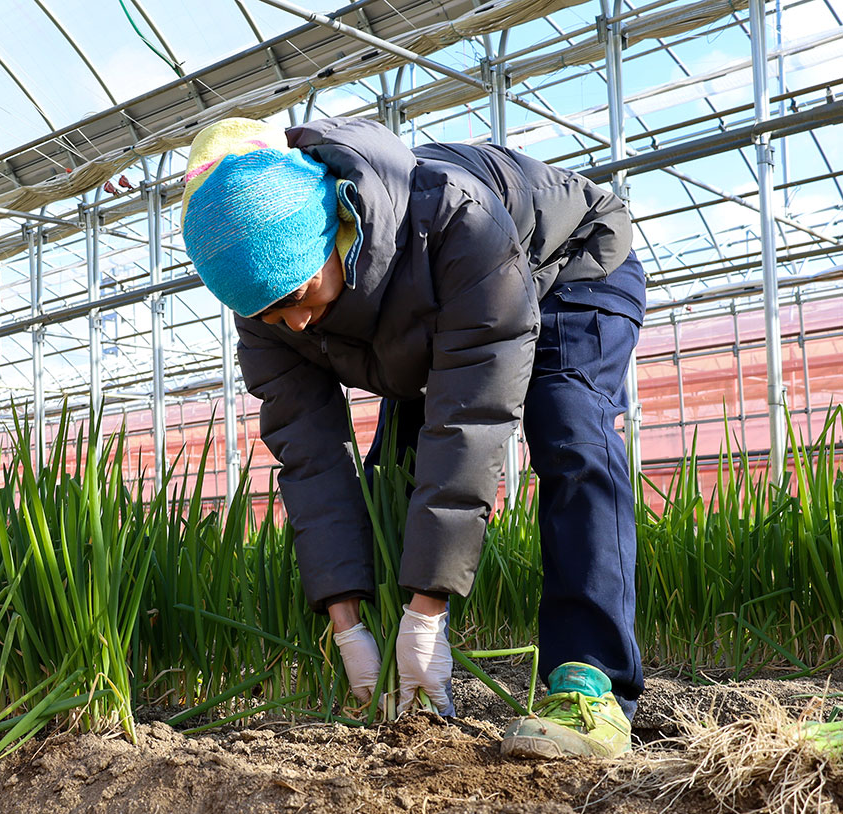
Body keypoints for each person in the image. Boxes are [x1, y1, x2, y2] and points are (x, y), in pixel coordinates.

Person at [180, 116, 645, 758]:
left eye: (297, 293)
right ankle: (390, 685)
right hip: (430, 321)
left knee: (570, 432)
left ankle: (589, 682)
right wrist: (346, 627)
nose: (291, 319)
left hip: (569, 267)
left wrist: (426, 615)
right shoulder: (272, 312)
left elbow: (470, 421)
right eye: (267, 314)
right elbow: (310, 458)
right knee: (392, 483)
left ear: (332, 232)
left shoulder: (453, 219)